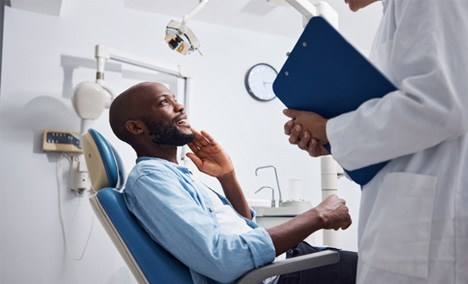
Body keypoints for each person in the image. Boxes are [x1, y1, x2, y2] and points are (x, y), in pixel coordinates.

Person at [283, 0, 468, 283]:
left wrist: (332, 130)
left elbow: (440, 104)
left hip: (428, 226)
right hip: (404, 218)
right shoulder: (393, 16)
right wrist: (331, 140)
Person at [109, 81, 357, 284]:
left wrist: (227, 177)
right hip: (281, 275)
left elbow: (244, 229)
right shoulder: (151, 180)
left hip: (283, 265)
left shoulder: (172, 174)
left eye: (174, 98)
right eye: (164, 102)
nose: (180, 106)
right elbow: (225, 258)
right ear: (135, 127)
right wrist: (318, 216)